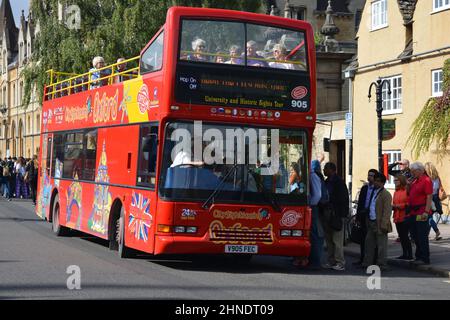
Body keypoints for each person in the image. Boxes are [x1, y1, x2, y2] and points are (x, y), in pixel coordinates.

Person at [361, 173, 393, 270]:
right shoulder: (374, 192)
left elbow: (387, 211)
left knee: (381, 245)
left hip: (379, 223)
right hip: (371, 221)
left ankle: (382, 264)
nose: (375, 182)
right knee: (369, 244)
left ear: (383, 183)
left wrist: (384, 223)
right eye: (375, 180)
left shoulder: (386, 194)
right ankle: (367, 262)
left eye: (378, 181)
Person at [321, 162, 349, 271]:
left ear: (331, 170)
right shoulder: (327, 181)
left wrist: (342, 214)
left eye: (325, 169)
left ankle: (340, 262)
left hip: (336, 213)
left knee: (337, 239)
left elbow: (343, 199)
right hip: (327, 212)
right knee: (329, 239)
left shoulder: (338, 182)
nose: (324, 171)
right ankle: (331, 260)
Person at [408, 162, 433, 265]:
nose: (412, 173)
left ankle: (424, 258)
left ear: (420, 170)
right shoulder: (414, 181)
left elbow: (429, 196)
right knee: (414, 234)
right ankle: (418, 256)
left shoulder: (426, 180)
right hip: (413, 212)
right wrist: (408, 185)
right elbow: (409, 193)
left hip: (421, 212)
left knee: (421, 234)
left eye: (413, 171)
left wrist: (426, 212)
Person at [354, 169, 379, 266]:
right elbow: (360, 202)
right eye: (368, 175)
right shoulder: (365, 188)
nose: (369, 177)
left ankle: (373, 259)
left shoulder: (377, 189)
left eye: (372, 175)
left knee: (372, 239)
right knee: (363, 238)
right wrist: (358, 217)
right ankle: (362, 258)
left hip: (372, 216)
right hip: (363, 214)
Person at [393, 174, 413, 260]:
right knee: (401, 236)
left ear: (401, 180)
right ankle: (404, 253)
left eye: (397, 180)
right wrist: (393, 206)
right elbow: (394, 203)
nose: (395, 181)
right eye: (394, 180)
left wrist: (398, 206)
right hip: (397, 216)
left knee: (405, 236)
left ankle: (410, 254)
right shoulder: (396, 191)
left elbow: (409, 203)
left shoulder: (406, 190)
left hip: (405, 216)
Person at [425, 162, 443, 241]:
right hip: (436, 198)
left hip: (429, 198)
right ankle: (427, 234)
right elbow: (439, 188)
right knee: (430, 216)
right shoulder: (437, 178)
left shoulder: (427, 178)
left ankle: (436, 231)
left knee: (429, 217)